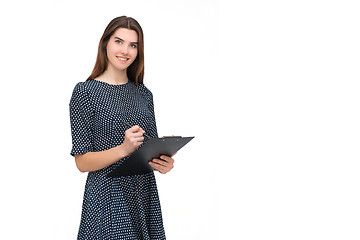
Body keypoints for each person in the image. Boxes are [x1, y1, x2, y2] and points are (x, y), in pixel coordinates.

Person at [69, 16, 174, 239]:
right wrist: (123, 149)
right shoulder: (85, 92)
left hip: (142, 194)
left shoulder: (144, 94)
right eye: (119, 41)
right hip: (107, 197)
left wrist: (162, 163)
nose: (125, 50)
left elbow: (149, 150)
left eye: (133, 45)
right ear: (105, 43)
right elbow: (81, 161)